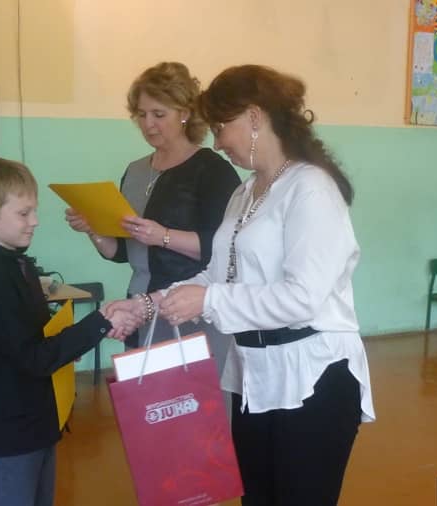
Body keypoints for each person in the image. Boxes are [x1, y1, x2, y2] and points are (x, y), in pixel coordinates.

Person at [156, 65, 376, 505]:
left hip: (312, 377)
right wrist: (150, 303)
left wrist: (210, 299)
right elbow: (218, 275)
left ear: (255, 117)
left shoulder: (311, 188)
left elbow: (301, 298)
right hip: (254, 375)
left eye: (221, 127)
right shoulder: (245, 193)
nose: (217, 142)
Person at [0, 158, 139, 506]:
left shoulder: (18, 266)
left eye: (34, 211)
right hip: (10, 431)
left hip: (37, 421)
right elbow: (34, 357)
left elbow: (39, 340)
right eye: (23, 213)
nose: (35, 221)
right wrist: (100, 322)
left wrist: (94, 328)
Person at [65, 62, 240, 366]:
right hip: (137, 305)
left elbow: (226, 249)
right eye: (141, 114)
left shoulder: (213, 171)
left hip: (187, 308)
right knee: (143, 393)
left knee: (188, 394)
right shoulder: (135, 171)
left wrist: (163, 237)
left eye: (159, 114)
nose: (148, 124)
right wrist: (93, 228)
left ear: (185, 113)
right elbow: (121, 252)